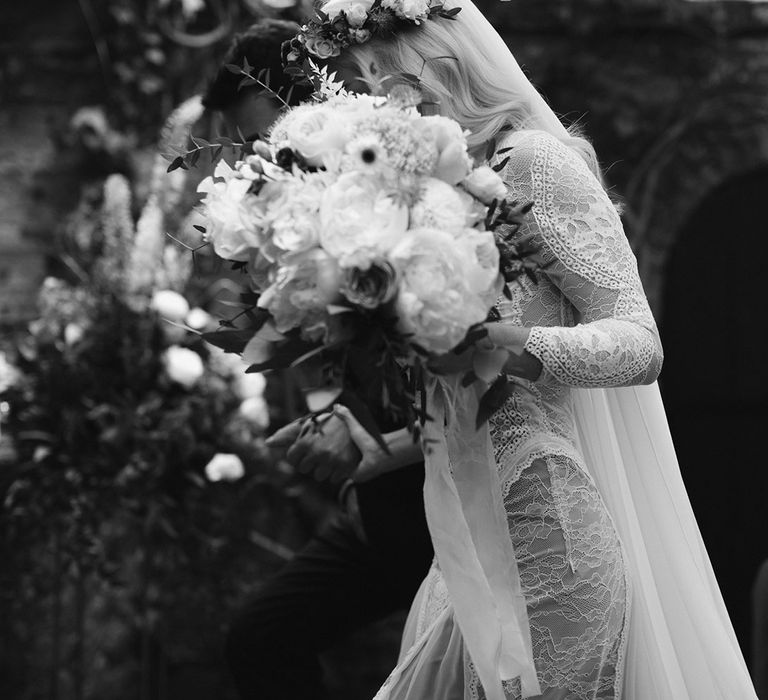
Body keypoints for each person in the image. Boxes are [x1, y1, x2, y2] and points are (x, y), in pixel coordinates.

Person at [281, 1, 760, 698]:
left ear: (435, 61)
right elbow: (472, 401)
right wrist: (381, 447)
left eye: (378, 80)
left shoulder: (529, 162)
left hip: (549, 535)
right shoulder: (426, 197)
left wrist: (518, 345)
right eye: (359, 84)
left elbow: (640, 339)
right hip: (467, 546)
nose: (370, 105)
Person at [201, 20, 433, 700]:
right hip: (379, 508)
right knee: (261, 637)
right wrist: (327, 420)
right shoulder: (311, 217)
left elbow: (455, 370)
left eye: (257, 139)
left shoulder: (405, 191)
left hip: (452, 503)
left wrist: (360, 432)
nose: (253, 160)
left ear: (303, 109)